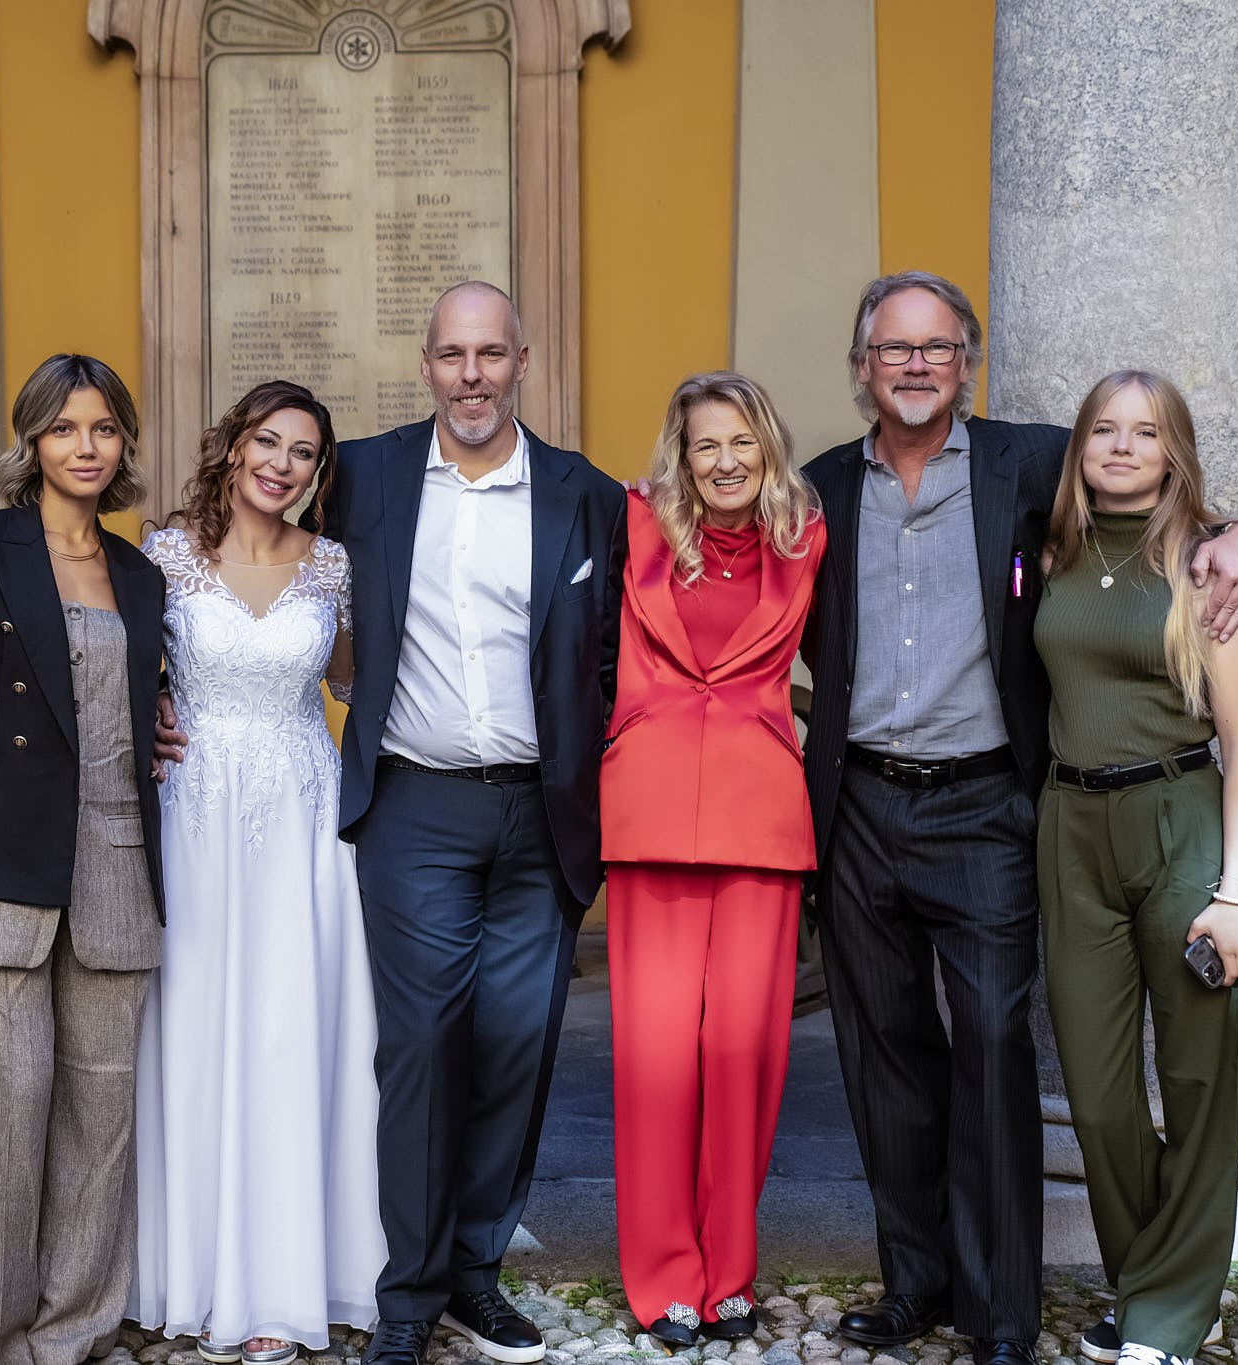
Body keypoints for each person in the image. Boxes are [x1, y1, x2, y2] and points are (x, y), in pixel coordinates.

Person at [799, 272, 1238, 1365]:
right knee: (881, 1056)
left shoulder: (1028, 463)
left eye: (934, 347)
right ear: (861, 365)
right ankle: (914, 1281)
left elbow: (1159, 486)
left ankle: (1001, 1314)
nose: (912, 365)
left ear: (965, 361)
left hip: (986, 805)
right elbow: (706, 509)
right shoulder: (816, 484)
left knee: (997, 1050)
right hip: (859, 802)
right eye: (891, 348)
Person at [159, 281, 625, 1365]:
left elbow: (605, 649)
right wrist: (156, 690)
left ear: (522, 362)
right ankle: (406, 1295)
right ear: (425, 365)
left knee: (516, 1048)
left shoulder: (583, 496)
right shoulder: (360, 477)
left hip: (538, 813)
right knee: (416, 1049)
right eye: (451, 355)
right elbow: (228, 568)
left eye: (491, 354)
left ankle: (475, 1272)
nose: (471, 374)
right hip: (413, 805)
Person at [132, 380, 385, 1365]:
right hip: (192, 808)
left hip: (302, 816)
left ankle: (286, 1284)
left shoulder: (333, 568)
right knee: (191, 1024)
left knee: (291, 1032)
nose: (281, 465)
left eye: (303, 453)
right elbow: (118, 666)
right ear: (233, 447)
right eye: (267, 443)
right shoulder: (162, 555)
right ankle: (189, 1272)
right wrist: (148, 707)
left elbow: (358, 685)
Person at [0, 353, 168, 1365]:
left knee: (99, 1113)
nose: (85, 446)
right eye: (64, 427)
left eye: (104, 427)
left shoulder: (139, 573)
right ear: (30, 440)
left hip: (117, 861)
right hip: (2, 859)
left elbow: (146, 695)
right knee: (4, 1108)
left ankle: (71, 1332)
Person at [1035, 372, 1238, 1365]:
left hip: (1178, 819)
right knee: (1094, 1093)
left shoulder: (1212, 571)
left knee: (1197, 1073)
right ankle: (1155, 1281)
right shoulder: (1051, 552)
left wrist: (1233, 895)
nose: (1120, 447)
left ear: (1173, 452)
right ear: (1078, 445)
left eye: (1144, 432)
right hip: (1067, 825)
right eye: (1102, 430)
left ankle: (1166, 1313)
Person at [601, 372, 825, 1348]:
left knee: (743, 1054)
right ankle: (662, 1281)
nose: (724, 461)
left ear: (765, 447)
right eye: (705, 445)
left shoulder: (807, 538)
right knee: (653, 1059)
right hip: (647, 814)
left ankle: (726, 1270)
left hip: (759, 822)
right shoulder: (629, 527)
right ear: (679, 455)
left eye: (740, 442)